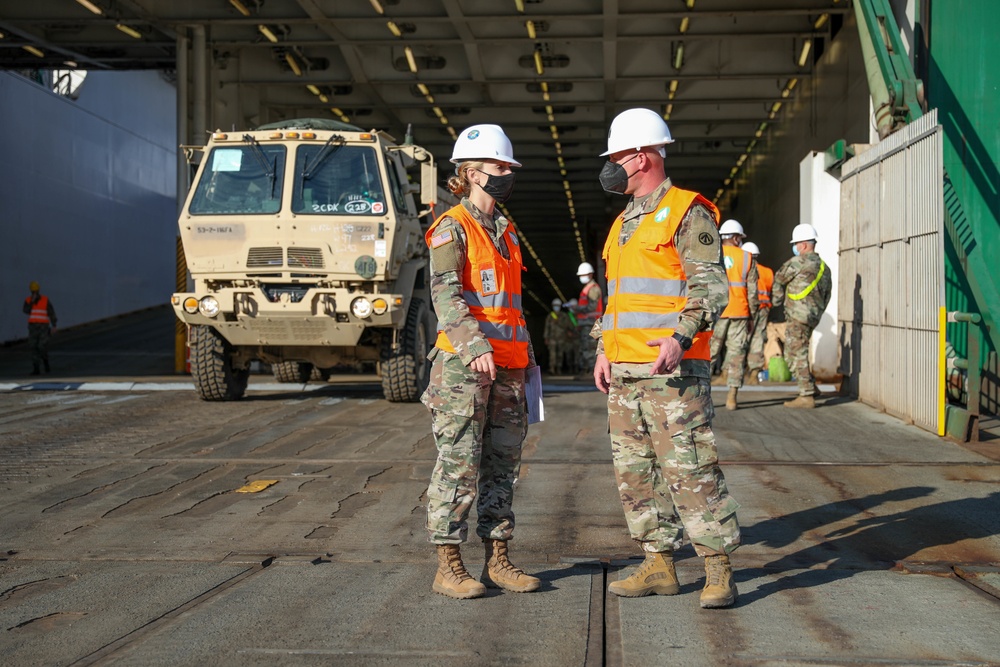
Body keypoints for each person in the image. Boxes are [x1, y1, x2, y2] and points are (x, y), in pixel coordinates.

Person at [592, 108, 740, 609]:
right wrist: (601, 349)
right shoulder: (622, 223)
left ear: (641, 156)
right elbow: (617, 300)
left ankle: (718, 570)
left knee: (691, 469)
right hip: (625, 371)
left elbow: (711, 288)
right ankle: (659, 564)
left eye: (616, 156)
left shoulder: (687, 211)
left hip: (671, 369)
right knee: (637, 473)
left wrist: (681, 336)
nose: (611, 165)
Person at [421, 124, 541, 599]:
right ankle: (448, 565)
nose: (507, 174)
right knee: (458, 463)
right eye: (499, 166)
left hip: (509, 368)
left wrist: (526, 355)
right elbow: (445, 294)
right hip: (464, 368)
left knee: (502, 464)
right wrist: (474, 346)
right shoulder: (453, 227)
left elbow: (510, 303)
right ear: (471, 173)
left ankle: (498, 560)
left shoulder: (507, 231)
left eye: (509, 167)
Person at [771, 223, 833, 408]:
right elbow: (827, 295)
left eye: (797, 244)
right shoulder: (825, 268)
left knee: (794, 353)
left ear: (804, 245)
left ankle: (806, 395)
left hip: (797, 317)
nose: (796, 247)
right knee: (799, 350)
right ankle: (810, 386)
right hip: (812, 317)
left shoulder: (796, 263)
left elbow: (779, 280)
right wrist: (817, 313)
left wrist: (776, 302)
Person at [708, 220, 758, 410]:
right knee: (736, 355)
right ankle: (732, 398)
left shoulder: (711, 254)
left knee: (709, 354)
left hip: (716, 313)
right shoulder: (747, 258)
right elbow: (752, 292)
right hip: (740, 312)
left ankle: (704, 396)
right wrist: (752, 316)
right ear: (736, 238)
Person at [742, 241, 773, 384]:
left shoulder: (743, 268)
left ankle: (735, 372)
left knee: (741, 339)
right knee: (758, 339)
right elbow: (773, 290)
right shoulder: (767, 271)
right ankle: (754, 373)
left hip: (747, 308)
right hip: (764, 307)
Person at [573, 262, 603, 374]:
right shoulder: (588, 288)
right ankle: (588, 371)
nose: (581, 278)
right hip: (587, 323)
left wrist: (577, 308)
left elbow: (592, 307)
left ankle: (592, 372)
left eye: (583, 275)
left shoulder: (593, 289)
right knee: (585, 347)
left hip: (591, 323)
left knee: (590, 348)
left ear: (590, 274)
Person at [23, 280, 57, 375]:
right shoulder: (28, 300)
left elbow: (51, 312)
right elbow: (26, 310)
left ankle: (45, 361)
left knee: (42, 346)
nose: (34, 293)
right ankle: (36, 368)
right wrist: (32, 302)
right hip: (33, 327)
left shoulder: (45, 300)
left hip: (43, 327)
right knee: (33, 347)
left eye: (35, 291)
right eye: (33, 292)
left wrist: (54, 325)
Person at [543, 298, 575, 374]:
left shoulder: (564, 316)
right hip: (552, 338)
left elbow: (569, 326)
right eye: (555, 305)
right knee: (552, 354)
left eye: (557, 305)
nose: (556, 307)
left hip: (562, 338)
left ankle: (559, 368)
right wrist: (546, 337)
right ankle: (552, 368)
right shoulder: (550, 316)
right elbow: (547, 327)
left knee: (560, 354)